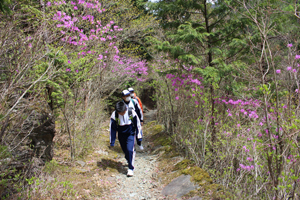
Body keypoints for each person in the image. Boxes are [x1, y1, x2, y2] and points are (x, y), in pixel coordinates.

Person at [109, 101, 142, 177]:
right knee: (125, 150)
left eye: (123, 112)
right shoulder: (115, 115)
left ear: (125, 109)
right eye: (120, 113)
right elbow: (112, 129)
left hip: (130, 133)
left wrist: (139, 137)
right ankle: (129, 158)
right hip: (121, 134)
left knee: (130, 149)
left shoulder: (131, 112)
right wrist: (112, 141)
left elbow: (138, 125)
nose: (122, 114)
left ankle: (130, 168)